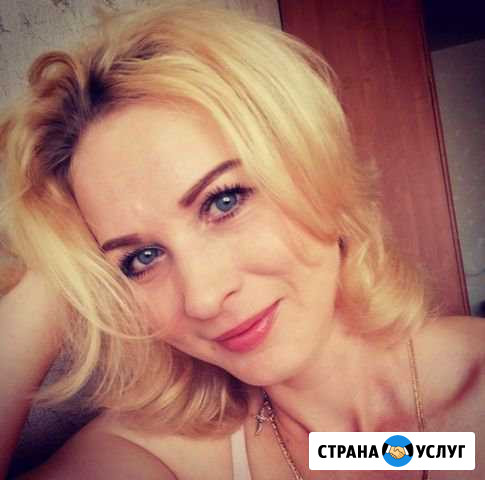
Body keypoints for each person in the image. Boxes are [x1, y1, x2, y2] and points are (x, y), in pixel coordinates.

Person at [0, 4, 483, 480]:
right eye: (141, 258)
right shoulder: (164, 458)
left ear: (316, 163)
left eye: (224, 201)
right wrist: (58, 263)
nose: (204, 298)